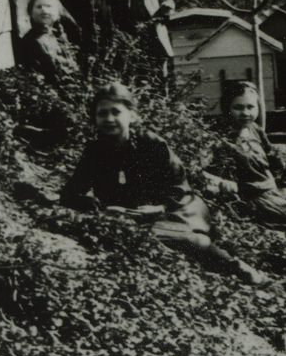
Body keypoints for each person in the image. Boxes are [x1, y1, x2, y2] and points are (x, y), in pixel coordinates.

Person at [60, 83, 268, 285]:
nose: (109, 119)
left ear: (132, 115)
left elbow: (179, 187)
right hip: (129, 219)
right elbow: (70, 194)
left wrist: (160, 207)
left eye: (116, 112)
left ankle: (239, 268)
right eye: (102, 114)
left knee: (191, 241)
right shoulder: (95, 152)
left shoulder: (151, 145)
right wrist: (100, 208)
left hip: (175, 211)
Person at [204, 81, 286, 228]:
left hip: (270, 191)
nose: (246, 113)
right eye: (238, 107)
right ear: (227, 108)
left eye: (251, 107)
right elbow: (204, 169)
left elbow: (272, 155)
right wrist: (227, 185)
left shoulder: (255, 129)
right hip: (251, 198)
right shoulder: (220, 136)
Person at [19, 0, 80, 86]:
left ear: (56, 11)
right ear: (31, 11)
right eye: (39, 7)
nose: (44, 10)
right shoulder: (31, 41)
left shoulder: (58, 35)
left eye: (48, 6)